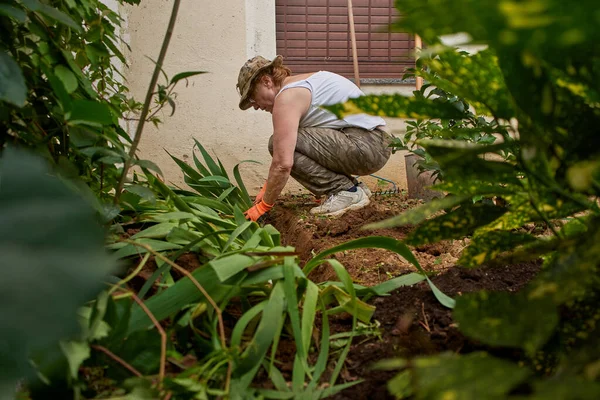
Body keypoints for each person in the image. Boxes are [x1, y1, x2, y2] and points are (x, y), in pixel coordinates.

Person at [237, 55, 392, 221]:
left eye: (253, 98)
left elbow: (283, 163)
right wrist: (268, 187)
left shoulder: (287, 98)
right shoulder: (300, 86)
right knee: (283, 143)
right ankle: (353, 188)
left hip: (368, 144)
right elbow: (290, 150)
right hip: (374, 144)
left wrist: (264, 206)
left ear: (266, 81)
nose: (256, 106)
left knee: (275, 144)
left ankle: (346, 191)